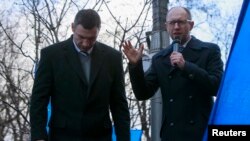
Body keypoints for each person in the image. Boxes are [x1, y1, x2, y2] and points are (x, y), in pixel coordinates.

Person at [122, 6, 224, 141]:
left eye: (181, 22)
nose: (176, 27)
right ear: (166, 26)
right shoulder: (160, 58)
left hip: (201, 132)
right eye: (172, 23)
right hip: (172, 134)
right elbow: (143, 93)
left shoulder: (209, 51)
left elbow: (217, 87)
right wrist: (135, 66)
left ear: (191, 24)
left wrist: (186, 66)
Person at [30, 9, 130, 141]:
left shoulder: (113, 58)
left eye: (91, 38)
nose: (86, 43)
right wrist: (38, 137)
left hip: (100, 136)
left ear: (98, 31)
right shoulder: (51, 55)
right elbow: (38, 100)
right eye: (81, 37)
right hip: (62, 136)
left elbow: (119, 105)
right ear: (72, 27)